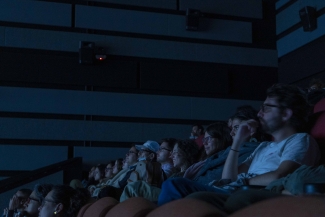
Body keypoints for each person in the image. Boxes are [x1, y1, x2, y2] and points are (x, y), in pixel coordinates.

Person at [158, 83, 320, 206]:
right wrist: (237, 141)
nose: (259, 113)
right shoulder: (263, 146)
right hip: (233, 189)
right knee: (173, 187)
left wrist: (245, 182)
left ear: (286, 113)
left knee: (175, 185)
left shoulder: (299, 139)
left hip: (251, 193)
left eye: (266, 108)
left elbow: (281, 175)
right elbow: (229, 178)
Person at [120, 139, 199, 202]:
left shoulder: (193, 171)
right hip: (167, 195)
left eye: (175, 152)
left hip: (174, 198)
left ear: (185, 153)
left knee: (134, 187)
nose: (172, 155)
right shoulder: (177, 172)